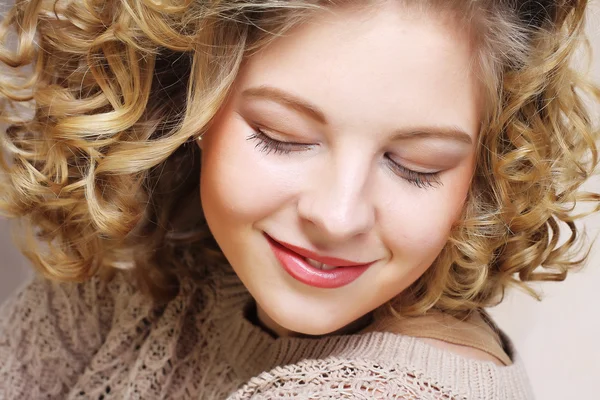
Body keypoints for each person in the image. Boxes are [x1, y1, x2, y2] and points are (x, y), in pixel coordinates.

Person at [0, 0, 598, 398]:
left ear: (485, 170)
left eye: (417, 167)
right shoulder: (144, 289)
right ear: (191, 103)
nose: (338, 217)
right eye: (283, 138)